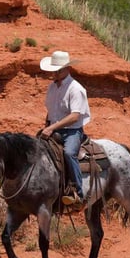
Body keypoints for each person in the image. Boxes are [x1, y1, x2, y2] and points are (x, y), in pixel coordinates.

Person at [39, 50, 91, 209]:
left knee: (69, 153)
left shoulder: (76, 88)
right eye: (53, 70)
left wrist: (52, 127)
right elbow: (51, 110)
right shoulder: (52, 88)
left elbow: (75, 116)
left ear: (67, 69)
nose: (54, 73)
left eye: (57, 70)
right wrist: (47, 126)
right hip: (53, 128)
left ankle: (77, 193)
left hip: (72, 131)